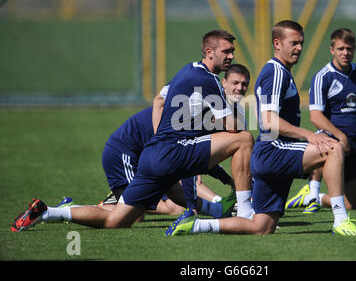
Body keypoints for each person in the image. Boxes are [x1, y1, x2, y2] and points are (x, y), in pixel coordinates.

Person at [11, 30, 254, 232]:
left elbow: (159, 99)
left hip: (154, 155)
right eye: (226, 51)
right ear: (209, 52)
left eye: (232, 51)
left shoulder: (186, 70)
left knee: (116, 220)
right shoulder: (210, 80)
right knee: (244, 139)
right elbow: (231, 127)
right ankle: (245, 212)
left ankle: (47, 212)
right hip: (169, 153)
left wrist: (161, 136)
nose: (231, 56)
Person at [166, 20, 356, 236]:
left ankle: (195, 226)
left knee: (262, 227)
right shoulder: (276, 72)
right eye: (293, 43)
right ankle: (340, 220)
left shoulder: (281, 72)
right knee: (333, 148)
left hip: (269, 155)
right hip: (274, 149)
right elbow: (269, 122)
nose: (299, 48)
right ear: (277, 43)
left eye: (301, 43)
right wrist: (310, 136)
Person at [285, 28, 356, 212]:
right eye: (341, 49)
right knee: (323, 143)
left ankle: (314, 197)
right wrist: (340, 136)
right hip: (333, 140)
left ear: (354, 49)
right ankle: (313, 190)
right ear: (332, 49)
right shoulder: (322, 77)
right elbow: (315, 116)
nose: (345, 53)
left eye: (349, 49)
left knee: (351, 206)